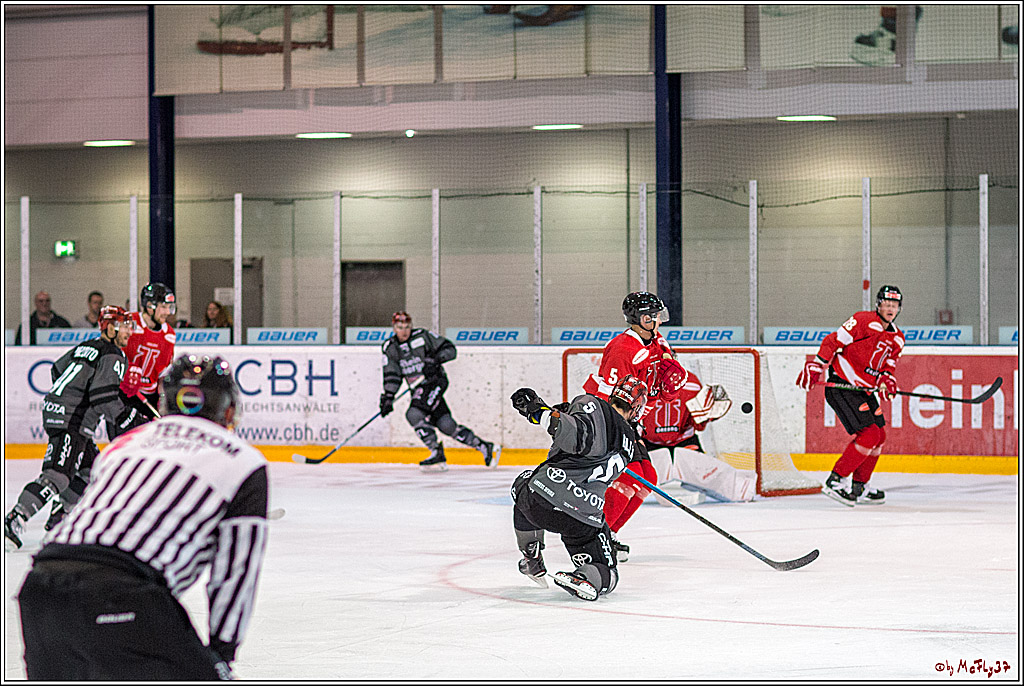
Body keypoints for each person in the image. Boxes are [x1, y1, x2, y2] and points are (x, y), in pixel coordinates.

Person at [14, 354, 268, 680]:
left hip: (40, 590)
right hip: (123, 592)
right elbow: (236, 571)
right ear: (229, 409)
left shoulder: (124, 444)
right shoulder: (242, 460)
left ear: (164, 402)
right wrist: (220, 655)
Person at [5, 306, 136, 551]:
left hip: (67, 416)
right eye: (124, 325)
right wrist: (129, 418)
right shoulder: (112, 354)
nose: (129, 330)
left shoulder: (88, 345)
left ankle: (59, 520)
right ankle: (14, 519)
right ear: (109, 327)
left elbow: (57, 369)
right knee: (57, 475)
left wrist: (69, 397)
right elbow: (104, 399)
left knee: (91, 472)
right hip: (72, 421)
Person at [509, 375, 646, 601]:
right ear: (636, 410)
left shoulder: (591, 404)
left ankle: (532, 558)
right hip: (583, 517)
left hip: (543, 500)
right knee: (609, 574)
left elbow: (574, 433)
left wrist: (535, 410)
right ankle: (585, 576)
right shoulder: (630, 443)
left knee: (523, 484)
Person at [580, 291, 689, 559]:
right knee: (630, 475)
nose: (658, 321)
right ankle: (594, 538)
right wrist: (614, 432)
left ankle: (609, 534)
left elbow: (659, 386)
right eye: (653, 316)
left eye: (658, 315)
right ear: (639, 318)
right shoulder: (622, 349)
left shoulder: (655, 341)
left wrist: (670, 386)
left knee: (647, 478)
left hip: (632, 423)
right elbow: (609, 395)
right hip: (609, 421)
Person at [796, 285, 906, 506]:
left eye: (894, 305)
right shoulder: (862, 320)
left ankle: (859, 487)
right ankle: (835, 481)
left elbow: (888, 366)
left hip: (864, 390)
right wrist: (817, 365)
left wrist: (887, 379)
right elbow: (832, 341)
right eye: (886, 303)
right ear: (878, 304)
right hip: (842, 385)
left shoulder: (898, 339)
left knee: (879, 436)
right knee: (869, 434)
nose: (890, 308)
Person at [379, 311, 500, 471]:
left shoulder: (422, 336)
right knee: (446, 425)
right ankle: (485, 447)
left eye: (407, 327)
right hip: (418, 389)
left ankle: (436, 452)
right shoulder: (390, 347)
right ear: (394, 328)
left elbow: (450, 349)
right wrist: (388, 396)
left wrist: (435, 360)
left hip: (435, 382)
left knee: (414, 414)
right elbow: (392, 373)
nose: (404, 331)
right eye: (400, 327)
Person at [642, 379, 756, 506]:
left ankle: (743, 488)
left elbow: (698, 424)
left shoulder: (690, 384)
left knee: (705, 473)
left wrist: (708, 415)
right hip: (650, 443)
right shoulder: (647, 381)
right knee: (634, 475)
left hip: (684, 441)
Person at [113, 282, 177, 435]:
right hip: (123, 395)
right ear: (149, 306)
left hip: (148, 399)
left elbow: (163, 373)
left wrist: (163, 399)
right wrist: (124, 372)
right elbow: (109, 355)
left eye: (169, 307)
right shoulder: (128, 324)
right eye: (163, 307)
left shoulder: (169, 335)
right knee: (121, 442)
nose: (167, 312)